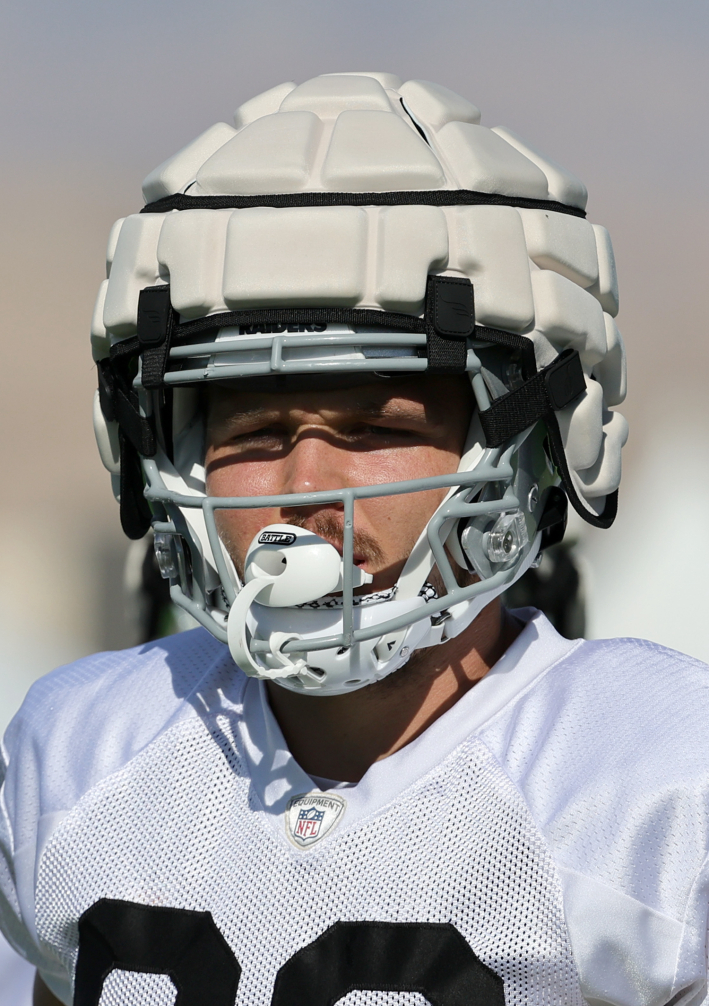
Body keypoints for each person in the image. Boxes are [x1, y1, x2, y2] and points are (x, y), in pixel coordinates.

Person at [1, 72, 706, 1006]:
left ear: (539, 435)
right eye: (253, 432)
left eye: (375, 429)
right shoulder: (79, 752)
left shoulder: (658, 780)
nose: (305, 487)